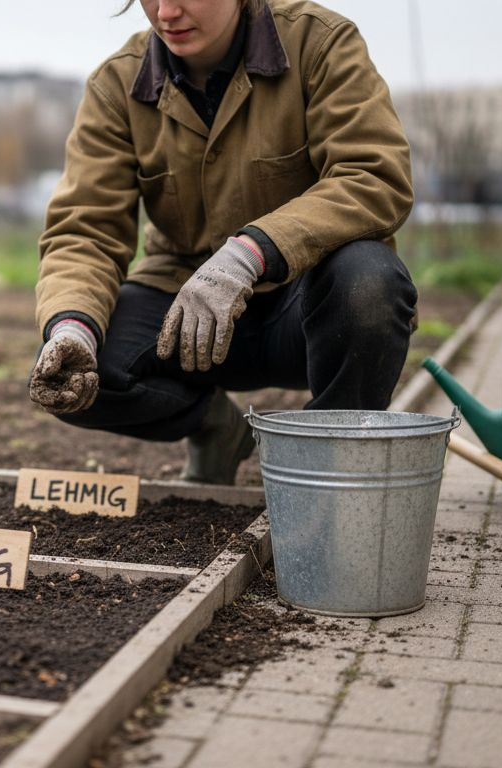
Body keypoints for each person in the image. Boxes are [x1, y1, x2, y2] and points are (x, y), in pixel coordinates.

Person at [28, 0, 419, 485]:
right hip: (188, 319)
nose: (166, 12)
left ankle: (330, 475)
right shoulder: (117, 85)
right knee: (79, 373)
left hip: (305, 311)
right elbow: (85, 229)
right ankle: (216, 429)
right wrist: (73, 329)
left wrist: (252, 251)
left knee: (370, 282)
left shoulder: (319, 43)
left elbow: (373, 176)